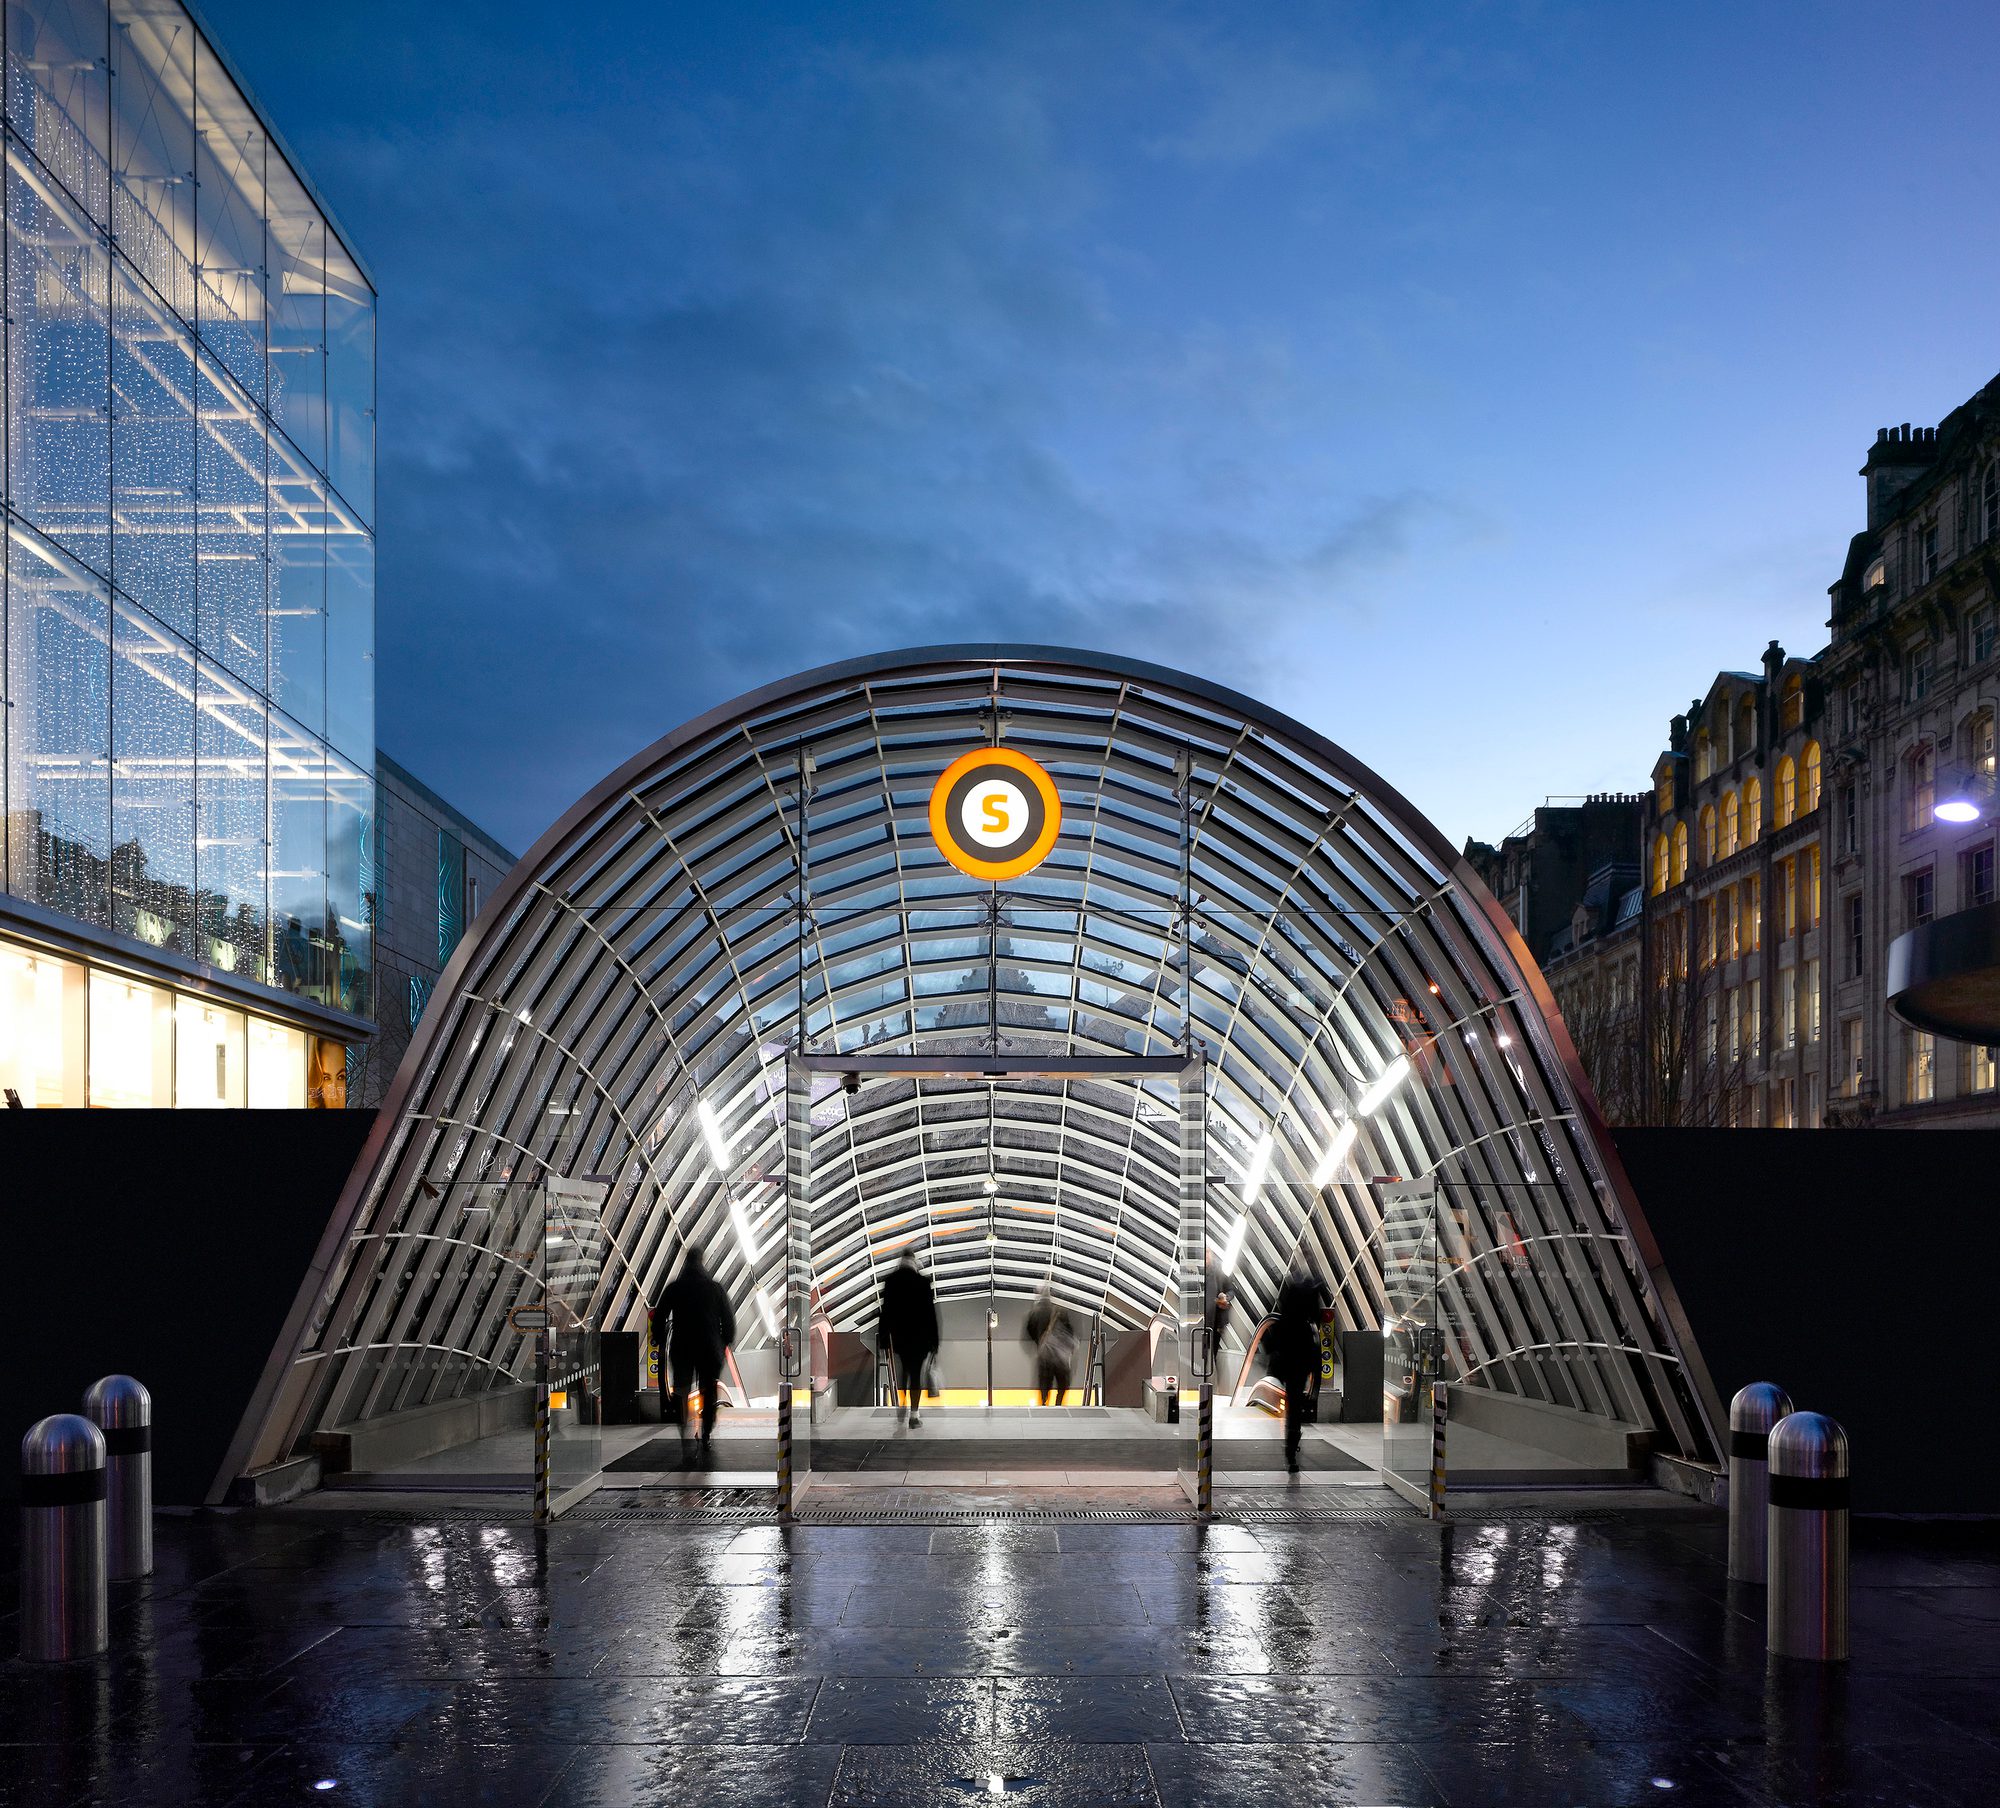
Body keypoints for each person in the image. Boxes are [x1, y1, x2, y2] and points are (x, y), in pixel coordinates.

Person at [651, 1242, 736, 1465]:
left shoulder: (675, 1288)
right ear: (702, 1262)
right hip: (709, 1349)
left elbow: (659, 1317)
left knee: (681, 1392)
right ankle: (706, 1433)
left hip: (682, 1349)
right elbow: (728, 1321)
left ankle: (686, 1436)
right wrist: (724, 1343)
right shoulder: (714, 1288)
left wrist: (659, 1339)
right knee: (708, 1392)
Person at [1265, 1267, 1324, 1474]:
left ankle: (1291, 1448)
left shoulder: (1284, 1321)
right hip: (1301, 1363)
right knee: (1295, 1407)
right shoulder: (1308, 1329)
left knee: (1292, 1405)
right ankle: (1292, 1448)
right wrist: (1315, 1383)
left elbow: (1271, 1343)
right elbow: (1316, 1355)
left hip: (1287, 1363)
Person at [877, 1251, 939, 1428]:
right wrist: (935, 1341)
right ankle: (914, 1414)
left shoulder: (891, 1282)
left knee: (903, 1370)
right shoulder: (923, 1282)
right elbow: (930, 1314)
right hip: (920, 1339)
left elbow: (886, 1313)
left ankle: (902, 1402)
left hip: (900, 1337)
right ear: (914, 1262)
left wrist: (883, 1338)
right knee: (916, 1374)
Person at [1024, 1286, 1078, 1405]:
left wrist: (1039, 1343)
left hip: (1044, 1355)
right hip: (1060, 1357)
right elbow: (1069, 1331)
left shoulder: (1035, 1312)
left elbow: (1029, 1331)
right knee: (1062, 1383)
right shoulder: (1060, 1310)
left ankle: (1044, 1403)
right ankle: (1058, 1404)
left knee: (1045, 1382)